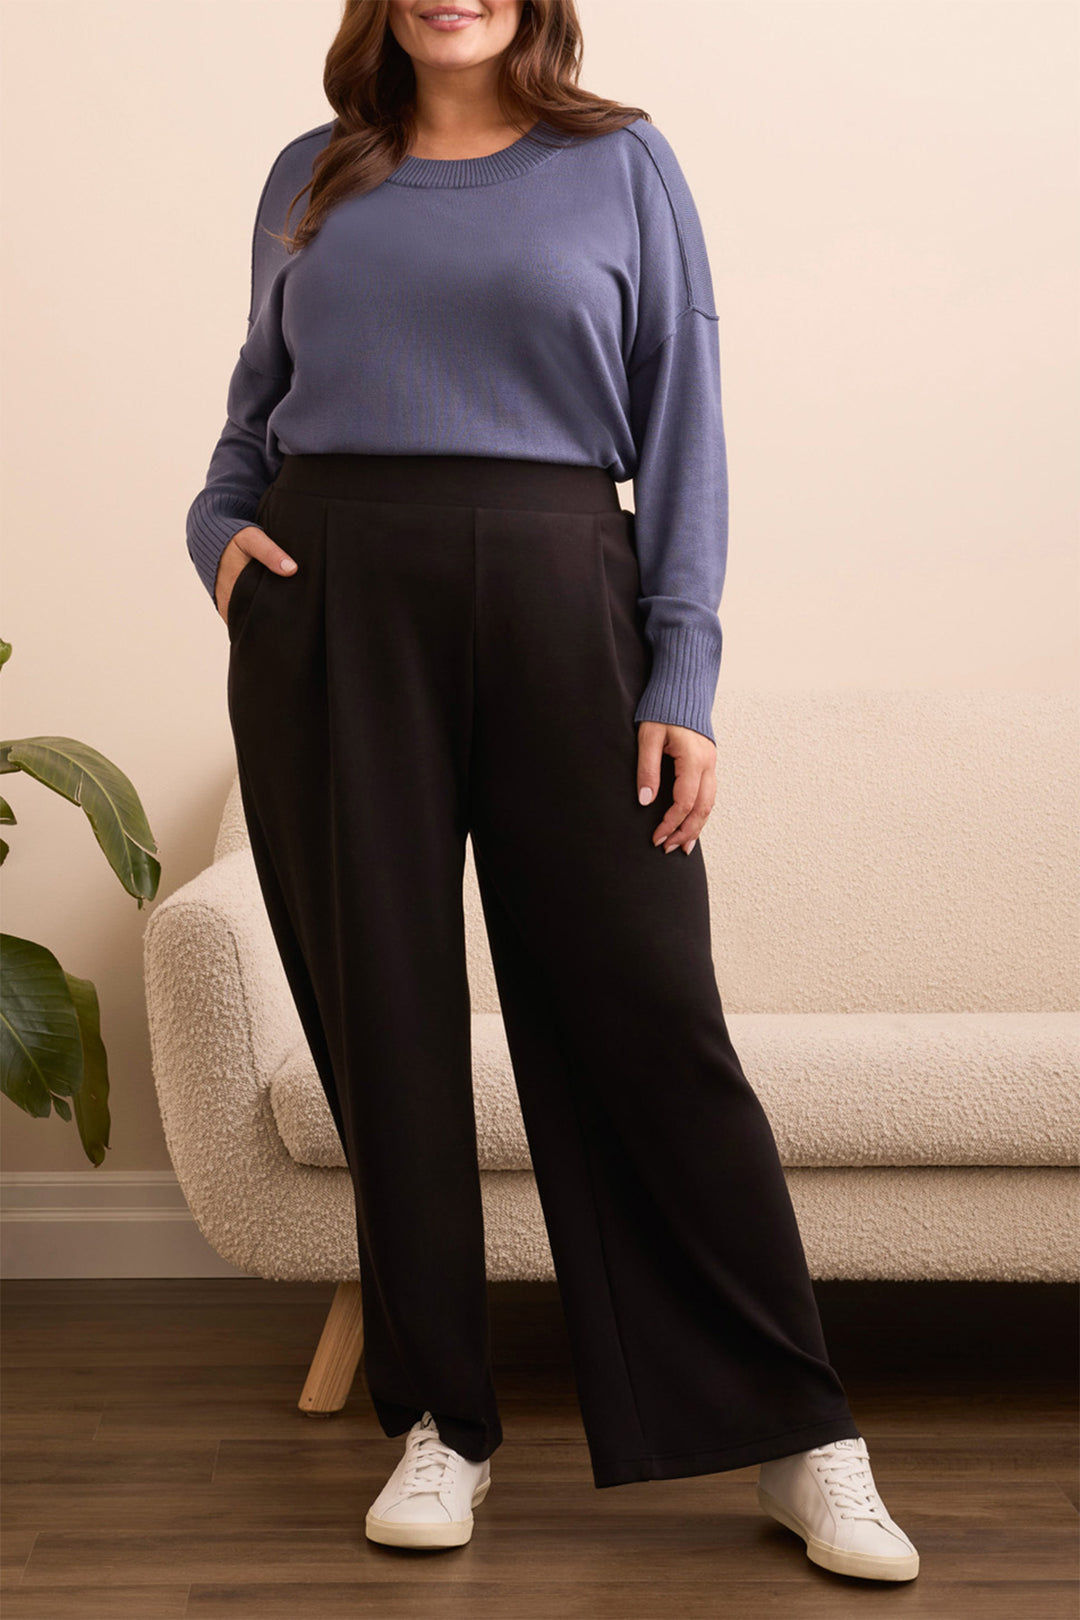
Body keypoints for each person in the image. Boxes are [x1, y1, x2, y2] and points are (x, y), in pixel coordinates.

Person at [185, 0, 920, 1584]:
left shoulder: (626, 166)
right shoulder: (311, 175)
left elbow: (684, 432)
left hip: (562, 594)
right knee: (384, 1016)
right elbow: (250, 415)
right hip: (332, 612)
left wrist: (682, 672)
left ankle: (800, 1435)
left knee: (646, 1013)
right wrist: (224, 555)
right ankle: (439, 1424)